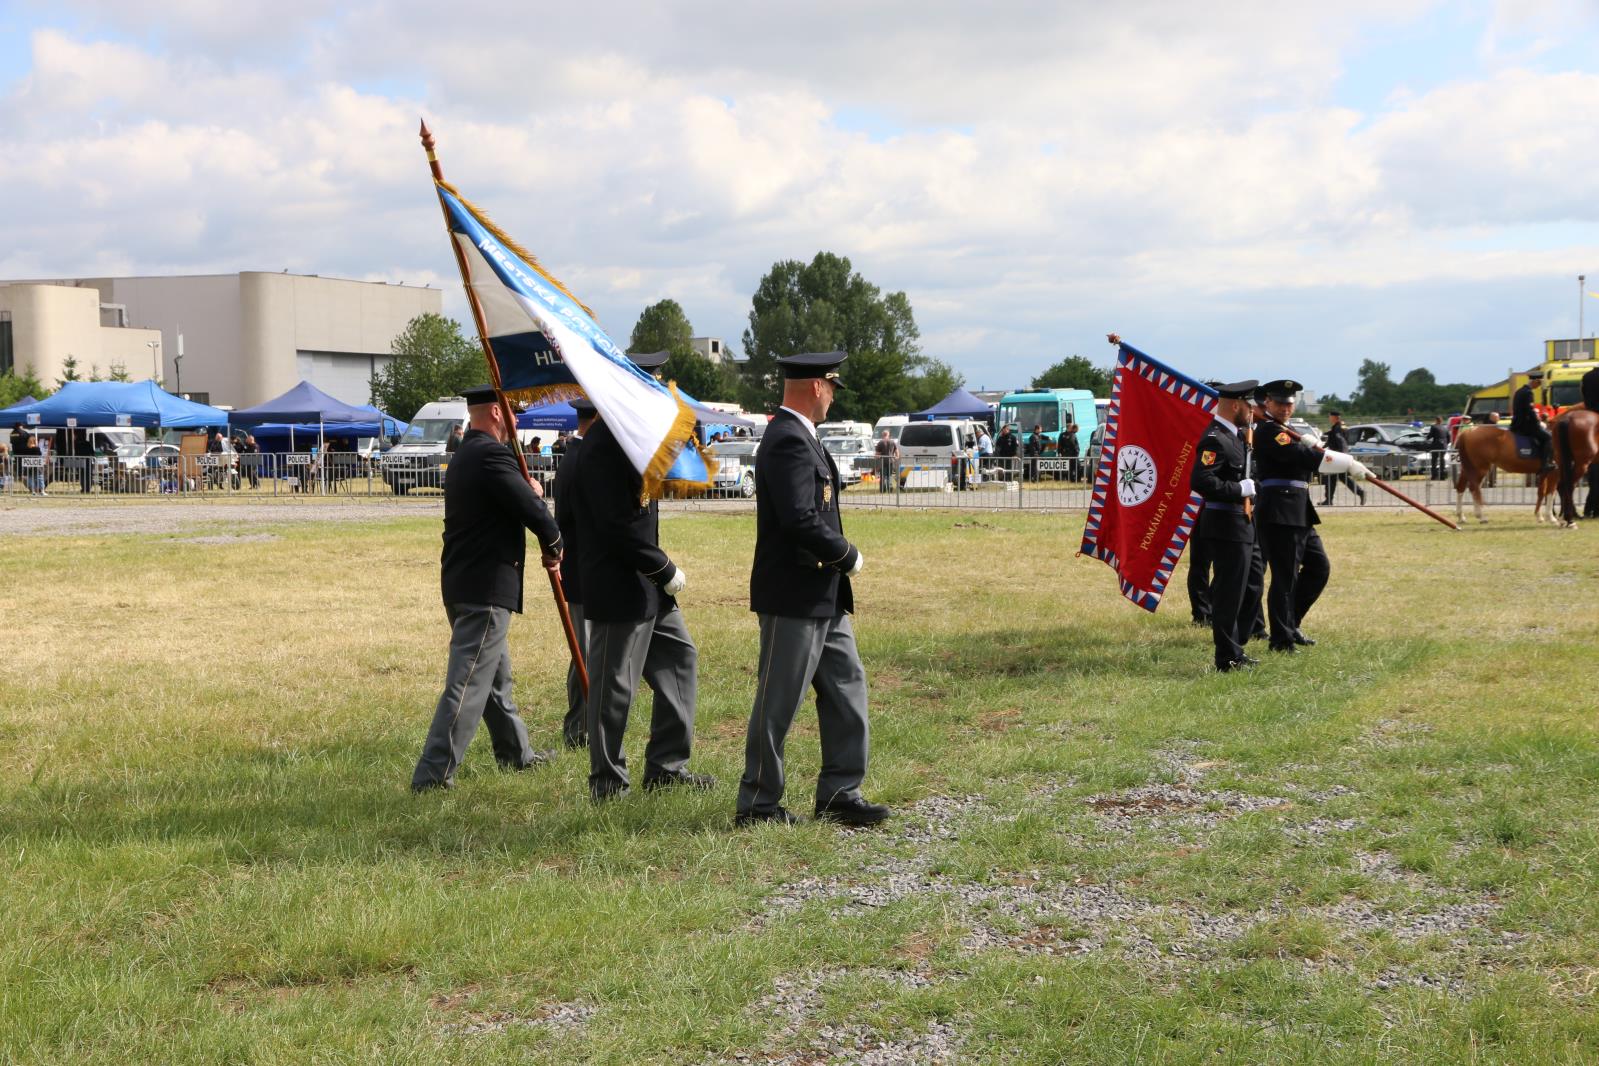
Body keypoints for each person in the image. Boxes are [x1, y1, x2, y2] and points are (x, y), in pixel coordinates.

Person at [737, 351, 888, 828]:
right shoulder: (787, 440)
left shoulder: (803, 437)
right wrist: (847, 554)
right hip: (795, 595)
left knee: (847, 688)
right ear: (817, 386)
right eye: (832, 388)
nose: (833, 398)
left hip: (824, 595)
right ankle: (758, 804)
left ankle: (840, 793)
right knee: (778, 701)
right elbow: (799, 516)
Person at [410, 385, 564, 793]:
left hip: (466, 582)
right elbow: (531, 510)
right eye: (513, 412)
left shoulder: (467, 453)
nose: (518, 420)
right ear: (497, 413)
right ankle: (432, 775)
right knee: (468, 685)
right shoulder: (492, 455)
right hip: (484, 587)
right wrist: (554, 540)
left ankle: (516, 753)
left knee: (495, 679)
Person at [570, 399, 711, 802]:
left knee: (680, 658)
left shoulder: (628, 438)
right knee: (613, 686)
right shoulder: (602, 445)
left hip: (647, 585)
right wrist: (662, 567)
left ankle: (667, 766)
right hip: (619, 582)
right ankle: (607, 781)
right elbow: (615, 525)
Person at [1252, 380, 1372, 653]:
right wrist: (1349, 463)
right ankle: (1280, 640)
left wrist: (1314, 446)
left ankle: (1290, 623)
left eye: (1289, 403)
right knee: (1285, 578)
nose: (1285, 408)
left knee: (1319, 568)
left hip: (1299, 508)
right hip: (1279, 510)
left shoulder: (1288, 430)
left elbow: (1307, 455)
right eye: (1280, 403)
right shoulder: (1269, 431)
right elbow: (1306, 459)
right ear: (1268, 403)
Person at [1190, 380, 1262, 671]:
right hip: (1225, 525)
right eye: (1249, 405)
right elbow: (1201, 481)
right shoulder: (1215, 438)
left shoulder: (1238, 437)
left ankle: (1236, 647)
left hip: (1242, 523)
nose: (1252, 410)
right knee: (1228, 593)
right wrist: (1239, 489)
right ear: (1235, 405)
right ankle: (1226, 657)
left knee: (1246, 588)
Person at [551, 396, 597, 749]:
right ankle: (578, 730)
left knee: (585, 652)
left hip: (582, 569)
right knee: (585, 655)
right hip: (585, 570)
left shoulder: (574, 455)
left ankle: (582, 726)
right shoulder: (583, 458)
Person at [1511, 368, 1552, 473]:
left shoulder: (1520, 391)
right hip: (1526, 425)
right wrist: (1538, 421)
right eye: (1538, 383)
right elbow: (1529, 411)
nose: (1538, 386)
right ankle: (1545, 464)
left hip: (1517, 423)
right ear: (1534, 381)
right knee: (1548, 438)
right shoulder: (1528, 393)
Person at [1320, 412, 1364, 505]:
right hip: (1339, 455)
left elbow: (1341, 441)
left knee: (1331, 477)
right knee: (1340, 477)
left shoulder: (1337, 428)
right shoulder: (1340, 426)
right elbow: (1334, 440)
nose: (1329, 418)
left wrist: (1342, 454)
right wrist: (1322, 447)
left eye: (1330, 416)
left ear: (1335, 417)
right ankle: (1329, 500)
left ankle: (1329, 500)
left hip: (1337, 456)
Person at [873, 429, 899, 493]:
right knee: (889, 476)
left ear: (882, 435)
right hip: (891, 461)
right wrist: (896, 457)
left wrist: (876, 460)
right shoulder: (892, 442)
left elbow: (877, 454)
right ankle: (890, 489)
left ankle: (883, 490)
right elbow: (896, 451)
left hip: (882, 462)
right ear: (888, 435)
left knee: (883, 476)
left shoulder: (880, 443)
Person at [1426, 416, 1449, 480]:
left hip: (1436, 446)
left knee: (1434, 461)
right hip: (1444, 446)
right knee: (1442, 460)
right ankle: (1442, 476)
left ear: (1436, 420)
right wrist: (1445, 444)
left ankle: (1434, 476)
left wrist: (1425, 439)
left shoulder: (1433, 427)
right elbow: (1448, 437)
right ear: (1441, 421)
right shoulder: (1445, 428)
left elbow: (1430, 435)